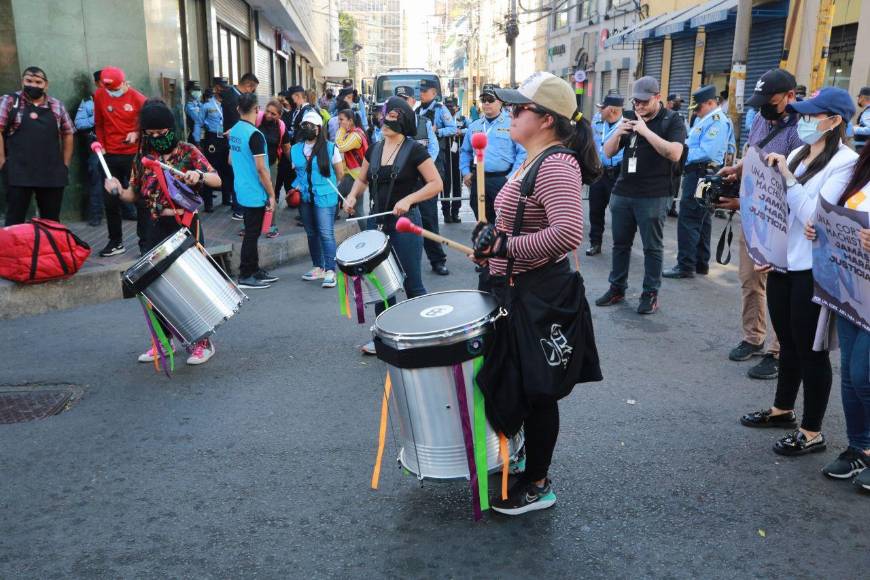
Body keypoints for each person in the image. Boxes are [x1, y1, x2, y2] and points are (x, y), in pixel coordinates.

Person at [471, 71, 602, 515]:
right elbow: (516, 225)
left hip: (538, 293)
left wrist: (507, 247)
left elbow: (567, 233)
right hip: (513, 287)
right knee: (518, 385)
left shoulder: (557, 164)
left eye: (518, 108)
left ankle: (538, 483)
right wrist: (489, 246)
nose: (509, 113)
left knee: (538, 390)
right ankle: (527, 461)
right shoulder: (530, 159)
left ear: (546, 119)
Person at [740, 87, 858, 456]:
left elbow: (815, 217)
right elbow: (781, 212)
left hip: (814, 268)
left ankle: (812, 431)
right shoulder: (798, 153)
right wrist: (768, 250)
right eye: (804, 115)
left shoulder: (846, 161)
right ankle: (782, 410)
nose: (805, 121)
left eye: (812, 115)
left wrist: (789, 178)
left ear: (834, 121)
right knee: (787, 343)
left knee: (812, 350)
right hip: (784, 263)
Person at [102, 99, 222, 365]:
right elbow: (132, 195)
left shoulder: (188, 152)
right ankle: (163, 340)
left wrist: (198, 176)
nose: (155, 138)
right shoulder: (143, 158)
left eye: (161, 133)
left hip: (186, 224)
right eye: (150, 134)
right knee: (152, 287)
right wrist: (116, 190)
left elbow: (217, 179)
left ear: (171, 129)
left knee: (190, 286)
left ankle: (202, 341)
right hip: (156, 226)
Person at [717, 69, 805, 380]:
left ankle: (778, 351)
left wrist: (743, 203)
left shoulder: (800, 132)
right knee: (749, 281)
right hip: (753, 218)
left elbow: (797, 186)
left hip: (783, 223)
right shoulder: (759, 119)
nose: (764, 107)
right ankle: (753, 337)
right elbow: (756, 155)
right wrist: (736, 170)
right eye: (760, 101)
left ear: (790, 97)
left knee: (780, 288)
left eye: (772, 101)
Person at [342, 96, 443, 354]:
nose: (384, 125)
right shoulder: (374, 148)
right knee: (381, 285)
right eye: (383, 119)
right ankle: (384, 340)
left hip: (405, 224)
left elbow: (436, 184)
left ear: (403, 123)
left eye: (391, 122)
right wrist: (353, 196)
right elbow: (362, 180)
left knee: (411, 283)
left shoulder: (414, 150)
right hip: (378, 223)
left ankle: (423, 335)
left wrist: (409, 199)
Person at [805, 143, 870, 489]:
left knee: (863, 375)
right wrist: (822, 232)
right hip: (853, 290)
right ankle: (859, 446)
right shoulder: (863, 170)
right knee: (849, 374)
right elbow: (841, 215)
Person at [595, 76, 687, 315]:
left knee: (652, 248)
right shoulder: (630, 116)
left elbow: (675, 153)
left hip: (654, 193)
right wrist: (618, 132)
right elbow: (607, 152)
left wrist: (645, 132)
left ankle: (650, 294)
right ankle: (617, 288)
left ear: (658, 97)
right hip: (624, 191)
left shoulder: (672, 120)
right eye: (636, 102)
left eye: (645, 102)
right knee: (619, 244)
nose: (639, 106)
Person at [663, 85, 732, 279]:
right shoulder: (707, 119)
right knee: (702, 219)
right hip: (702, 173)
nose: (696, 111)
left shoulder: (717, 121)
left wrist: (682, 155)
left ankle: (685, 265)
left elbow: (707, 151)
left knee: (689, 218)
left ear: (711, 103)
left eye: (699, 107)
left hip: (702, 174)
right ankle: (700, 263)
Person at [0, 66, 74, 226]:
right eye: (29, 81)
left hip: (51, 172)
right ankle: (12, 252)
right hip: (18, 171)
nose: (33, 85)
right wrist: (2, 162)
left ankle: (48, 250)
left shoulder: (56, 105)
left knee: (51, 221)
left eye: (38, 82)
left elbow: (68, 133)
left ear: (46, 85)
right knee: (14, 220)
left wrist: (65, 165)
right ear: (22, 81)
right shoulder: (10, 101)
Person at [92, 66, 147, 256]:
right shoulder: (99, 96)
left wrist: (137, 133)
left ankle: (145, 242)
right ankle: (115, 242)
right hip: (109, 156)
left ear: (124, 83)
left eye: (116, 89)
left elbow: (150, 126)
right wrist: (101, 143)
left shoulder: (139, 99)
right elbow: (99, 123)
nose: (112, 93)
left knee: (140, 198)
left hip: (133, 155)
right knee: (110, 199)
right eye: (109, 90)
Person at [396, 85, 450, 276]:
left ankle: (437, 260)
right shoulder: (390, 126)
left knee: (429, 221)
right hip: (401, 182)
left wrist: (423, 169)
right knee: (400, 224)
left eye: (405, 99)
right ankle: (401, 266)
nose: (402, 103)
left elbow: (433, 149)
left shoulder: (424, 122)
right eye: (399, 99)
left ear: (412, 101)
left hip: (424, 182)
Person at [228, 92, 278, 289]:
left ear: (238, 109)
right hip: (255, 192)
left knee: (252, 232)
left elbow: (230, 160)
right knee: (252, 233)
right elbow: (261, 169)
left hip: (241, 188)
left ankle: (254, 269)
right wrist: (272, 194)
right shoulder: (255, 135)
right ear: (257, 109)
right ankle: (246, 274)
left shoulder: (235, 131)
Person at [460, 84, 526, 226]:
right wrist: (465, 172)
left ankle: (502, 247)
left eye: (490, 99)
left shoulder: (512, 124)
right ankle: (486, 247)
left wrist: (511, 178)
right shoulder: (475, 126)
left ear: (500, 101)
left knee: (504, 222)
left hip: (502, 179)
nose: (487, 103)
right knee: (482, 220)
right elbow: (465, 151)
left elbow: (522, 153)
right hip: (478, 178)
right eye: (483, 99)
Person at [292, 110, 344, 288]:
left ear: (318, 128)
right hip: (306, 197)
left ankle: (330, 270)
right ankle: (318, 267)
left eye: (311, 125)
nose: (307, 128)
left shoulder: (330, 148)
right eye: (304, 125)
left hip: (325, 197)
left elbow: (340, 173)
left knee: (325, 233)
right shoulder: (295, 149)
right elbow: (298, 172)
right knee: (311, 233)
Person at [587, 94, 625, 256]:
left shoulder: (627, 125)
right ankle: (595, 243)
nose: (599, 110)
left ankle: (621, 246)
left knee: (619, 212)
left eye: (602, 108)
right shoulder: (597, 121)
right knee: (595, 210)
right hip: (599, 172)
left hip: (618, 174)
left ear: (611, 110)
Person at [221, 72, 259, 220]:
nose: (253, 92)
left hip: (236, 137)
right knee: (240, 172)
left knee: (237, 172)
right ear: (248, 85)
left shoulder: (232, 94)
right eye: (253, 89)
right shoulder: (232, 98)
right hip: (235, 139)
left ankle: (237, 205)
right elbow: (237, 120)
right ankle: (239, 208)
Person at [256, 99, 290, 238]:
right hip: (253, 164)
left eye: (273, 114)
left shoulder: (281, 127)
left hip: (271, 165)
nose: (269, 115)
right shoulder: (257, 119)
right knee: (253, 194)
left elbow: (286, 147)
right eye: (268, 112)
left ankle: (271, 225)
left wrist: (293, 163)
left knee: (270, 194)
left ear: (279, 116)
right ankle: (250, 225)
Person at [75, 70, 104, 226]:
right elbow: (79, 124)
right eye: (103, 81)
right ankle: (96, 216)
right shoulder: (88, 102)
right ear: (97, 83)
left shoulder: (121, 99)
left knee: (123, 179)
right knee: (96, 181)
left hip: (117, 147)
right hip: (97, 147)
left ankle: (129, 211)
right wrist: (97, 116)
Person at [200, 83, 227, 212]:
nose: (224, 91)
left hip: (225, 138)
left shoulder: (228, 104)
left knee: (226, 169)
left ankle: (227, 198)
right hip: (212, 139)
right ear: (216, 89)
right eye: (222, 88)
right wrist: (198, 141)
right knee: (210, 169)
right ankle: (208, 203)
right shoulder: (207, 106)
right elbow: (199, 123)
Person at [442, 97, 467, 222]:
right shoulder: (442, 120)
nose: (449, 108)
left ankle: (455, 212)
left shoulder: (462, 119)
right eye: (447, 106)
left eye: (452, 106)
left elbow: (471, 130)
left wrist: (460, 131)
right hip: (445, 156)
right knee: (445, 185)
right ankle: (446, 213)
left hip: (458, 156)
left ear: (457, 108)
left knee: (457, 185)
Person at [184, 80, 203, 146]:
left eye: (199, 90)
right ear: (190, 91)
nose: (198, 92)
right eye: (196, 90)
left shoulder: (198, 103)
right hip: (195, 138)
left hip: (202, 136)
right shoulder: (189, 106)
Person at [854, 86, 870, 152]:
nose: (858, 99)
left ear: (862, 97)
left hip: (863, 148)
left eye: (859, 97)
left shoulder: (868, 111)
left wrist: (854, 129)